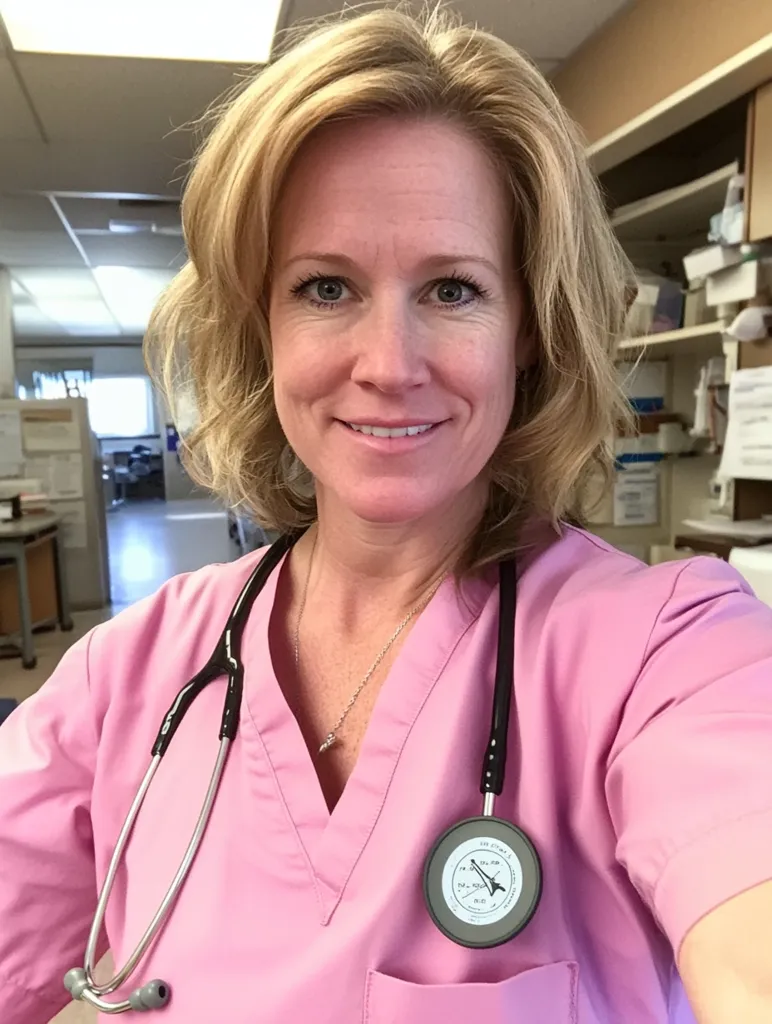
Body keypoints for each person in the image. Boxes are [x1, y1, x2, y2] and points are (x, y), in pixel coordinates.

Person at [2, 6, 772, 1023]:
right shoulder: (128, 677)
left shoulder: (673, 655)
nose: (387, 365)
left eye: (452, 289)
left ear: (530, 332)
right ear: (259, 325)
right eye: (326, 287)